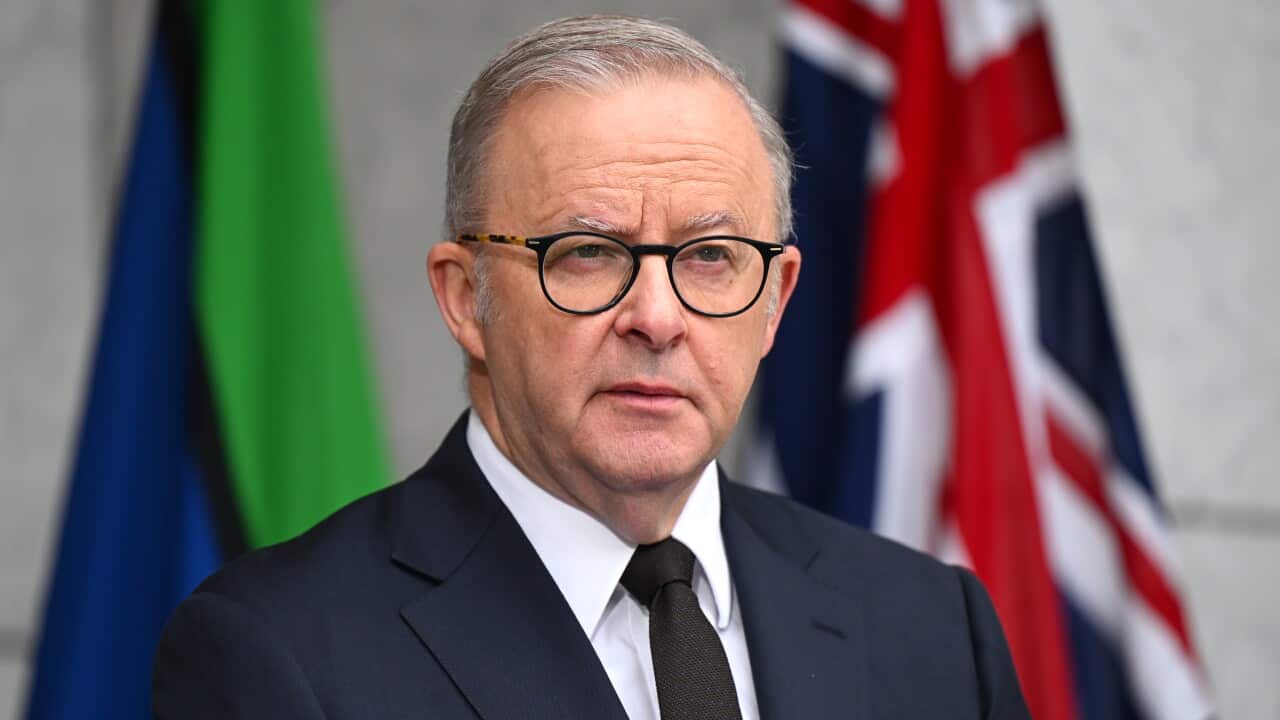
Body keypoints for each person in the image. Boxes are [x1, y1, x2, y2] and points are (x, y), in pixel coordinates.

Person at [153, 15, 1029, 719]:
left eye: (710, 257)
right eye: (586, 253)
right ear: (464, 299)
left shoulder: (932, 628)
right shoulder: (278, 655)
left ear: (774, 301)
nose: (657, 318)